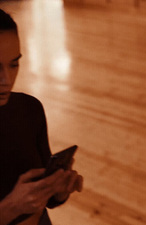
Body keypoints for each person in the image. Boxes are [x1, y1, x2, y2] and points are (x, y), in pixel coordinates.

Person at [0, 9, 83, 225]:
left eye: (14, 64)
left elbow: (46, 199)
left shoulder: (30, 109)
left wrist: (57, 189)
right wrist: (9, 208)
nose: (7, 79)